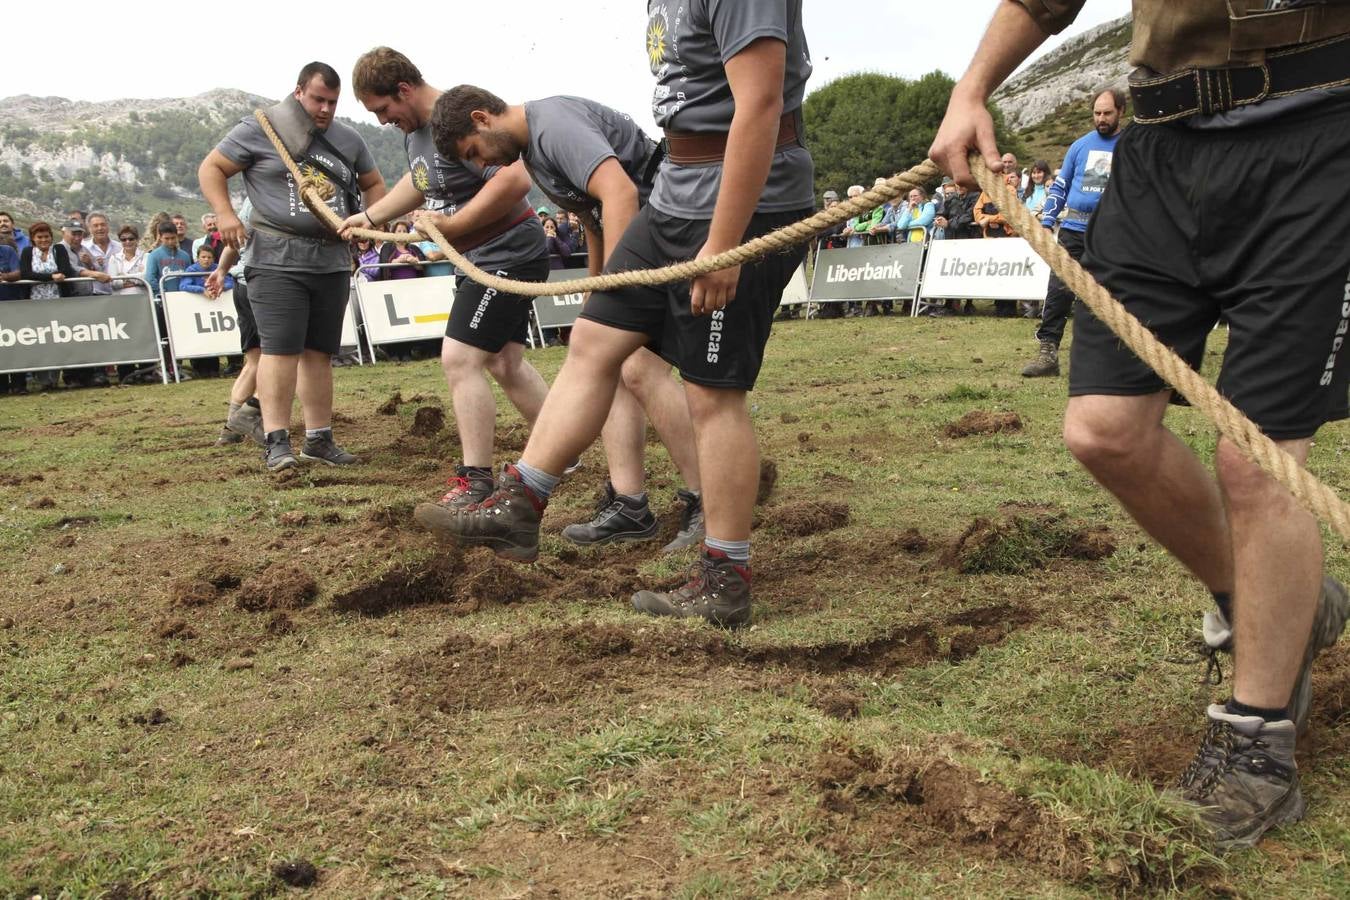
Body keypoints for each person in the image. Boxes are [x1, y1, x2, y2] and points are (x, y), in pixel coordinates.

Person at [930, 0, 1350, 850]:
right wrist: (972, 87)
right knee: (1103, 429)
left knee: (1256, 464)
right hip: (1160, 146)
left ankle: (1258, 748)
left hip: (1321, 136)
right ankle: (1285, 608)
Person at [432, 0, 813, 629]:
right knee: (593, 339)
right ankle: (521, 503)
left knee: (711, 391)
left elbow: (761, 103)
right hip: (674, 196)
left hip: (742, 202)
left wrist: (726, 242)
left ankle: (726, 576)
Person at [429, 85, 705, 551]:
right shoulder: (534, 155)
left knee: (638, 367)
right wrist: (597, 296)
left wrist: (618, 292)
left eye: (475, 154)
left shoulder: (553, 125)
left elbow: (619, 194)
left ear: (482, 118)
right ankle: (631, 505)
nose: (482, 167)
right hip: (647, 238)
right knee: (608, 360)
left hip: (676, 225)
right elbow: (596, 219)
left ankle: (708, 501)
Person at [345, 47, 551, 506]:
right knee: (504, 362)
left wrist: (453, 228)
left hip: (507, 253)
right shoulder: (415, 133)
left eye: (384, 109)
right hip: (479, 257)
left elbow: (515, 180)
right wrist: (370, 215)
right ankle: (560, 448)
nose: (382, 121)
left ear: (403, 90)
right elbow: (420, 180)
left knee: (460, 360)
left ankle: (476, 480)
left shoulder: (452, 118)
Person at [200, 61, 387, 471]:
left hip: (332, 259)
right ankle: (276, 440)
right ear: (299, 91)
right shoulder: (259, 129)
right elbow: (211, 167)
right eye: (319, 98)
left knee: (319, 353)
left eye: (333, 102)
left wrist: (374, 218)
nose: (324, 109)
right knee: (279, 351)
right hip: (275, 260)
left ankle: (319, 439)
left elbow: (373, 182)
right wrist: (225, 214)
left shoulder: (350, 139)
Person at [1022, 89, 1124, 377]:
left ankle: (1104, 360)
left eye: (1107, 113)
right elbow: (1061, 186)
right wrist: (1046, 221)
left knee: (1106, 296)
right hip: (1072, 231)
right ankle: (1048, 355)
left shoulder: (1131, 144)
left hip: (1112, 234)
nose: (1101, 118)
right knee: (1058, 292)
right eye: (1097, 113)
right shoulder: (1079, 146)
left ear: (1121, 112)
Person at [205, 199, 268, 447]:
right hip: (261, 282)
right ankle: (249, 412)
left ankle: (231, 428)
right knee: (285, 355)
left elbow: (234, 239)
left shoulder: (253, 200)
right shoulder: (269, 197)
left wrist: (221, 270)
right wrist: (221, 271)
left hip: (244, 282)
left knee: (256, 361)